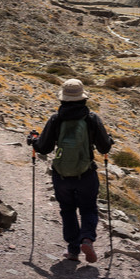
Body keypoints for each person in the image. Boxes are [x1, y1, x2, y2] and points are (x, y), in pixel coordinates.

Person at [27, 78, 113, 263]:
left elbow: (44, 148)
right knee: (88, 208)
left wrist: (33, 140)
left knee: (67, 209)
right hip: (86, 174)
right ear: (83, 98)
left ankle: (73, 250)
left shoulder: (56, 119)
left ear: (63, 98)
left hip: (62, 175)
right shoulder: (91, 119)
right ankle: (87, 239)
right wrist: (109, 140)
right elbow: (104, 148)